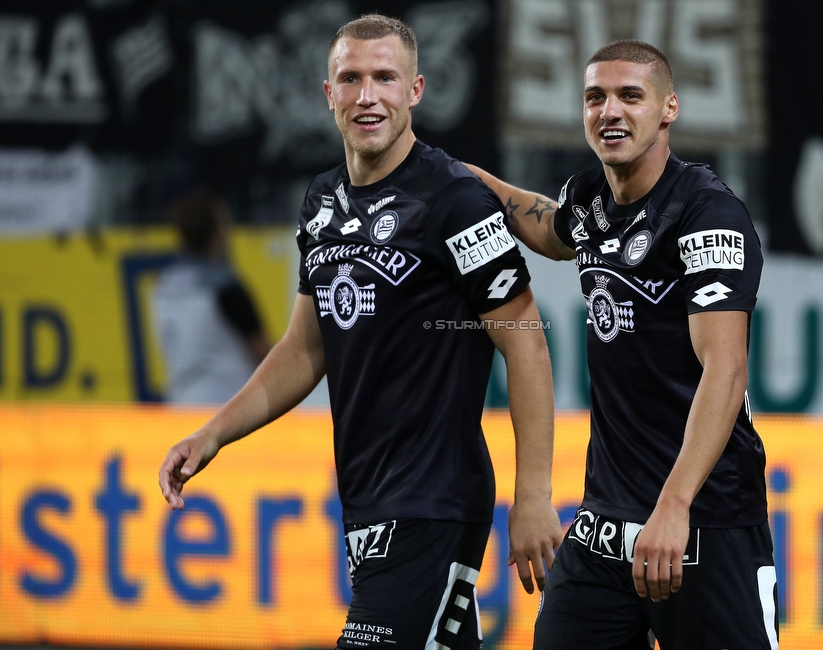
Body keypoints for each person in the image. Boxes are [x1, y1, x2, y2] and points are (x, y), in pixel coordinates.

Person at [158, 14, 562, 650]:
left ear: (416, 91)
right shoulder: (321, 203)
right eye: (351, 78)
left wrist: (533, 495)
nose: (367, 95)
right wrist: (214, 434)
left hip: (434, 499)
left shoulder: (453, 199)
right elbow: (304, 347)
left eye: (385, 78)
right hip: (368, 498)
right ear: (328, 92)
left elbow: (527, 342)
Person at [467, 40, 779, 649]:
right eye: (595, 98)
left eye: (630, 96)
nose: (610, 111)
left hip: (701, 522)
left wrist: (675, 505)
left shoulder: (706, 213)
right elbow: (548, 228)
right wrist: (459, 175)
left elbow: (727, 371)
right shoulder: (589, 200)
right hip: (603, 529)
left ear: (669, 109)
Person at [153, 189, 272, 404]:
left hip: (179, 406)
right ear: (217, 233)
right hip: (226, 407)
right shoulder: (225, 287)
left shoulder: (164, 287)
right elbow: (264, 354)